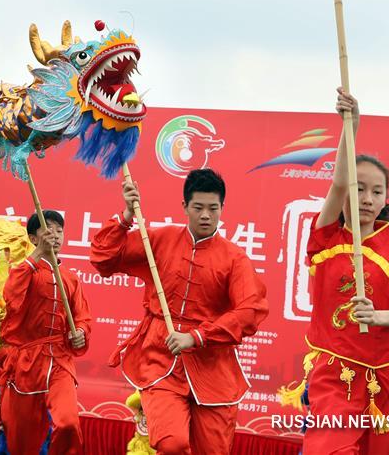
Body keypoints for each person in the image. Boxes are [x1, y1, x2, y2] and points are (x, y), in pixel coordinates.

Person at [280, 89, 389, 455]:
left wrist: (378, 315)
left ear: (385, 198)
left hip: (384, 379)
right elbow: (337, 183)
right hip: (333, 376)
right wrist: (351, 126)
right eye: (359, 188)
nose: (367, 198)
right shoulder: (326, 238)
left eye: (376, 191)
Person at [91, 168, 268, 454]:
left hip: (213, 368)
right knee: (172, 444)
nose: (206, 215)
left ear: (223, 208)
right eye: (198, 208)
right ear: (185, 206)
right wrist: (126, 216)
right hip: (161, 360)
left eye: (213, 208)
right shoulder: (159, 240)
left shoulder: (235, 259)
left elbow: (251, 310)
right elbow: (103, 258)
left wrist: (197, 336)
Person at [0, 210, 92, 455]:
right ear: (33, 237)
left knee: (68, 422)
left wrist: (81, 332)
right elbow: (11, 299)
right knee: (22, 442)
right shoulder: (24, 272)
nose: (56, 235)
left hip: (60, 361)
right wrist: (37, 254)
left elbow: (83, 317)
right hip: (27, 362)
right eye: (48, 229)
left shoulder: (71, 279)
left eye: (59, 230)